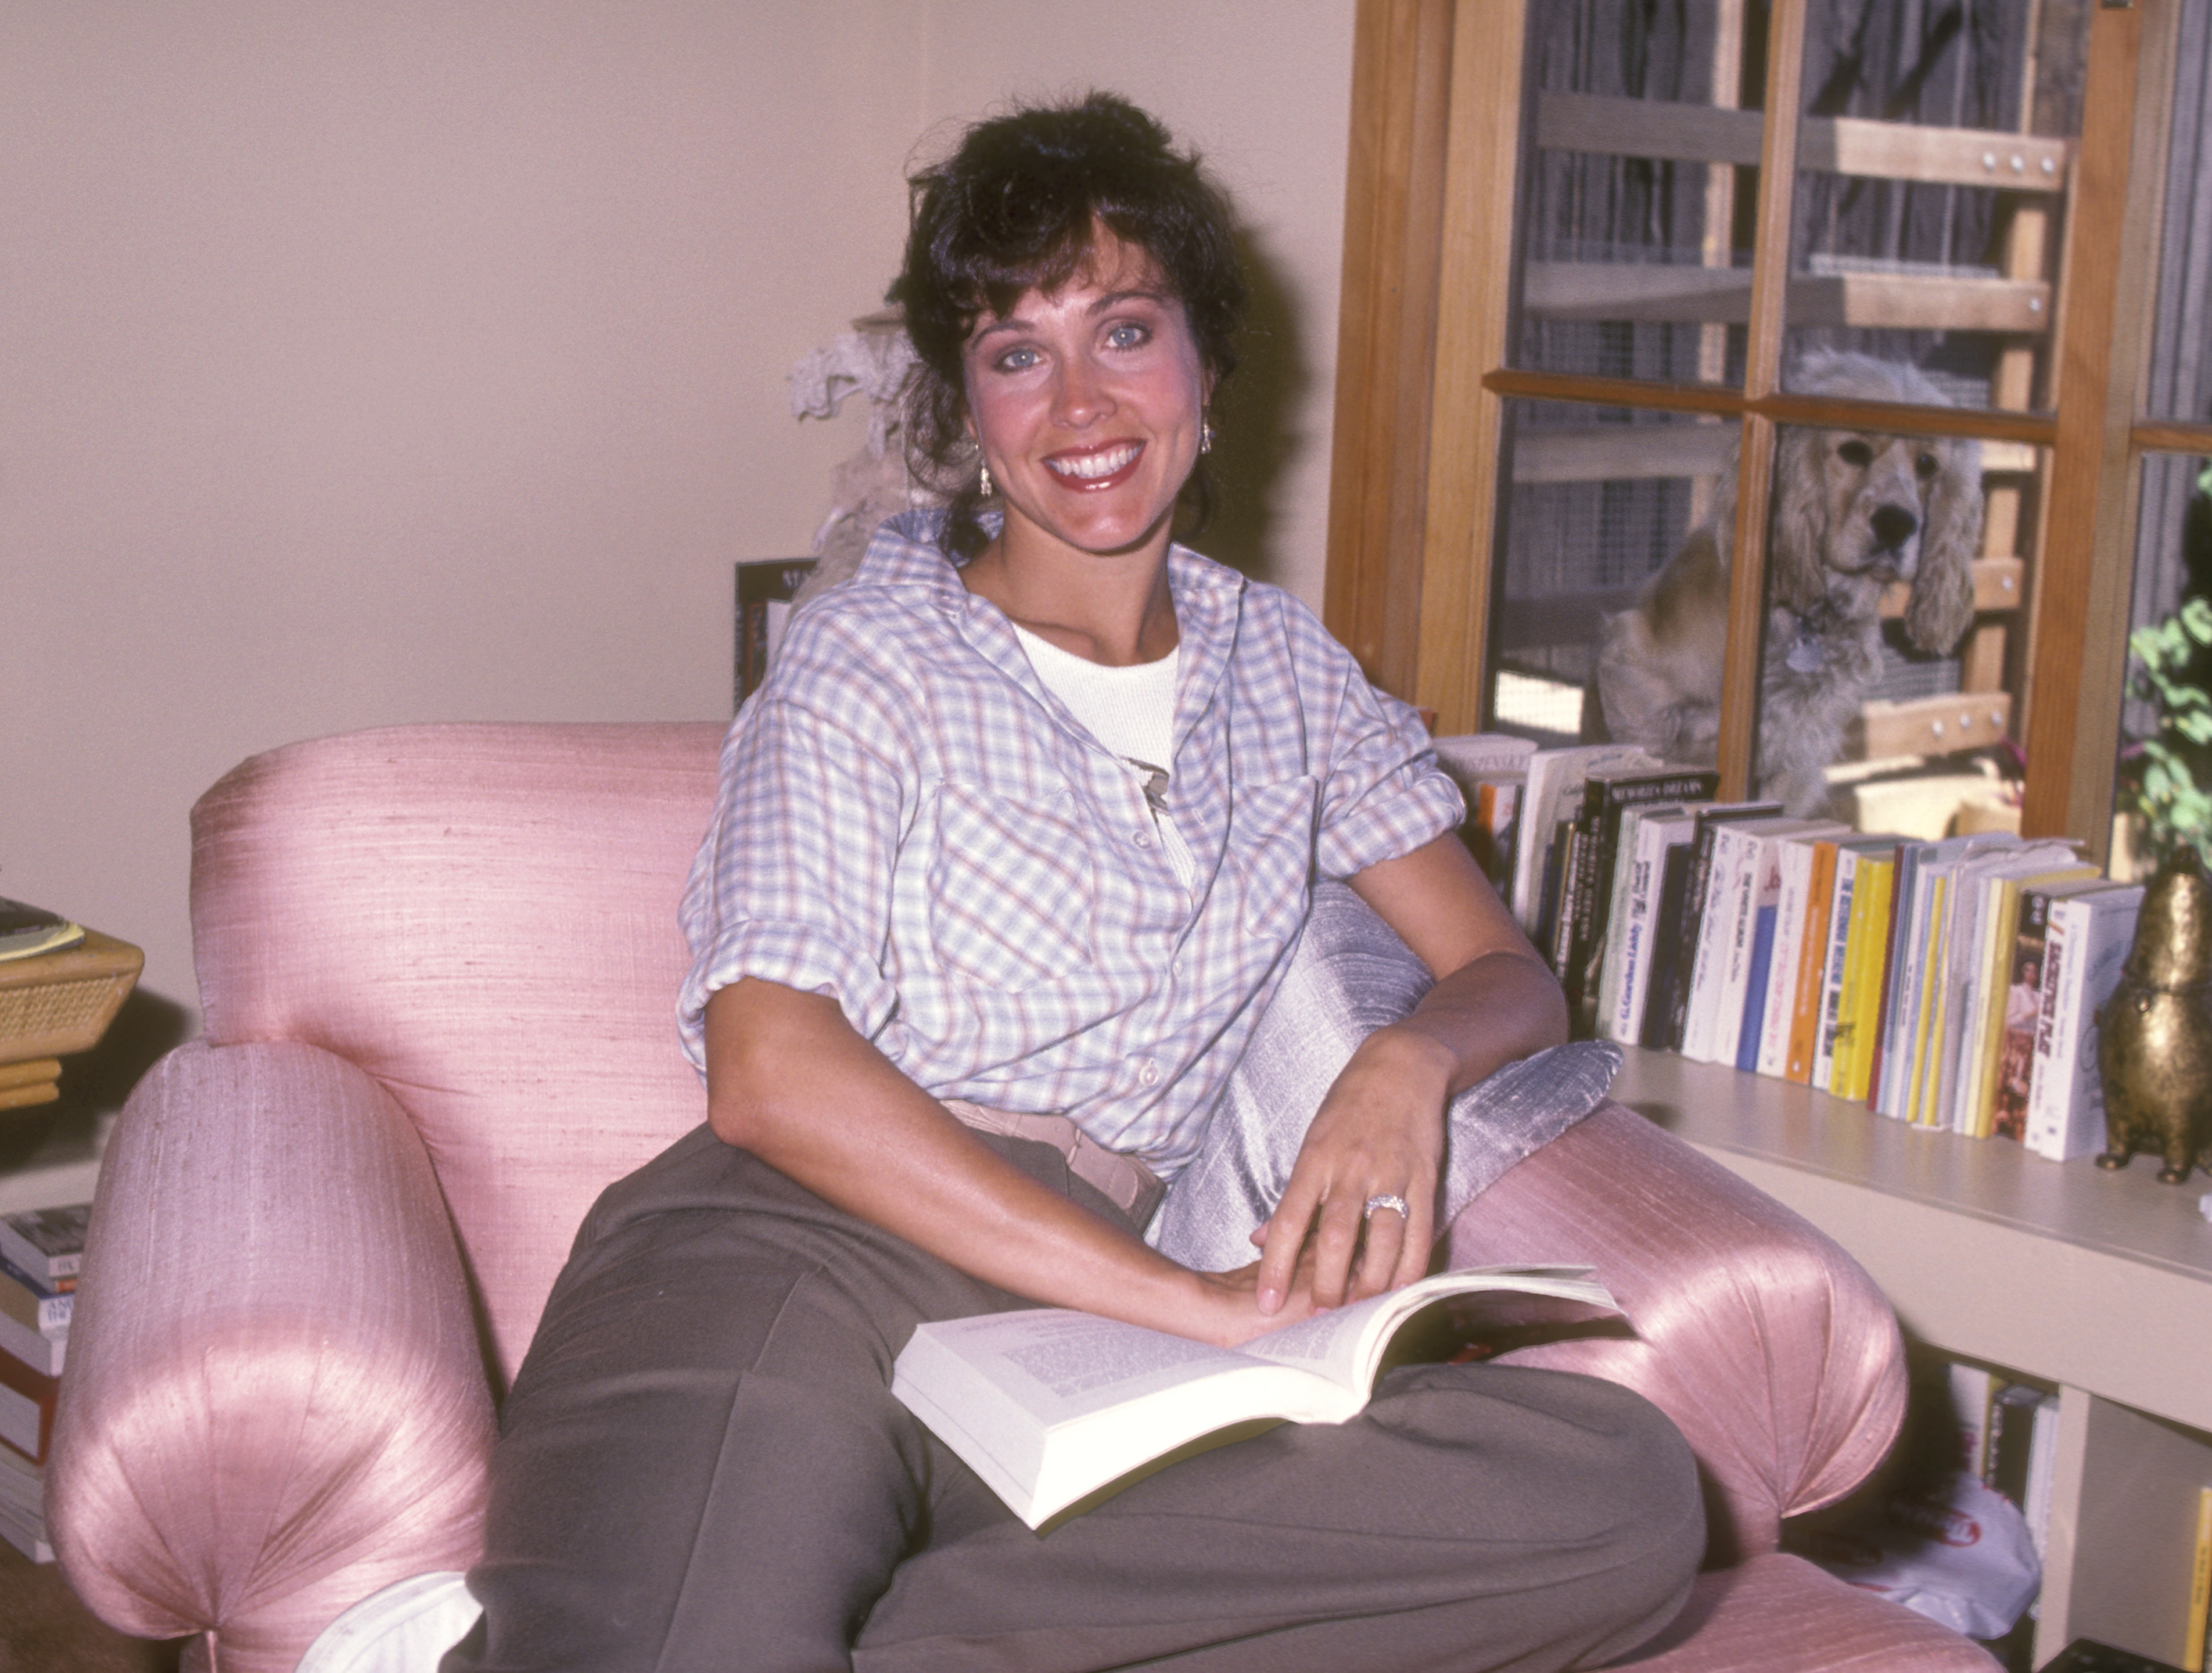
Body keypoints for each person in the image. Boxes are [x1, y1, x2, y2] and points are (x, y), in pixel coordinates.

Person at [445, 92, 1700, 1673]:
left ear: (1207, 372)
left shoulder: (1285, 671)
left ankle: (851, 1629)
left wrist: (1409, 1059)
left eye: (1123, 329)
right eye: (1017, 352)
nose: (1079, 402)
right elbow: (770, 1071)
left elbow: (1500, 969)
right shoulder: (869, 652)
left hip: (1070, 1351)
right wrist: (1195, 1305)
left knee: (1620, 1491)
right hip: (798, 1250)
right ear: (970, 411)